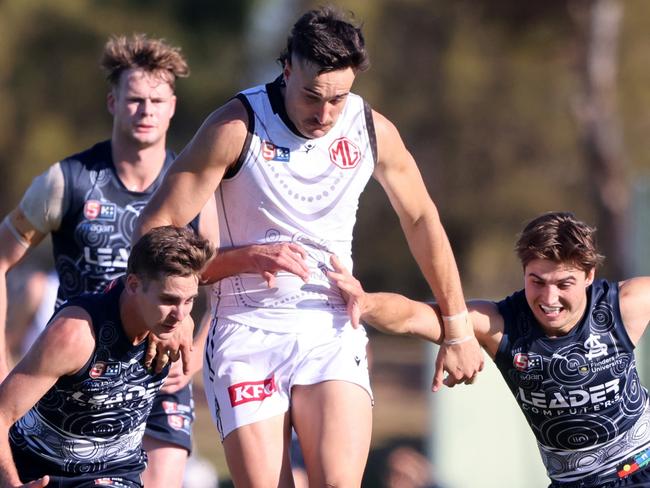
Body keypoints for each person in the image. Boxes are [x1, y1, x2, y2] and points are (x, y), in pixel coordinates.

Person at [134, 6, 483, 486]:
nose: (324, 113)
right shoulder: (237, 127)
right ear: (287, 69)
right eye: (311, 95)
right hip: (245, 331)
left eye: (338, 98)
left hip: (332, 328)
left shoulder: (371, 130)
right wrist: (220, 278)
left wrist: (458, 327)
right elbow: (155, 226)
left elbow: (422, 218)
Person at [0, 34, 217, 487]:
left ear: (172, 106)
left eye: (156, 100)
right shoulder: (68, 181)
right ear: (112, 102)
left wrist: (196, 347)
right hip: (76, 373)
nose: (146, 111)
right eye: (134, 99)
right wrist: (2, 354)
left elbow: (215, 284)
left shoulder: (195, 189)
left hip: (160, 374)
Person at [329, 211, 650, 488]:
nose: (549, 299)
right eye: (537, 282)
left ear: (588, 276)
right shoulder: (500, 323)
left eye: (564, 284)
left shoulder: (624, 305)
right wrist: (367, 302)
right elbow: (415, 316)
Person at [0, 225, 214, 488]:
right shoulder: (75, 335)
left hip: (116, 474)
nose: (180, 315)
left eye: (189, 301)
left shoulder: (174, 323)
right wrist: (11, 484)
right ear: (134, 285)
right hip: (38, 471)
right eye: (168, 299)